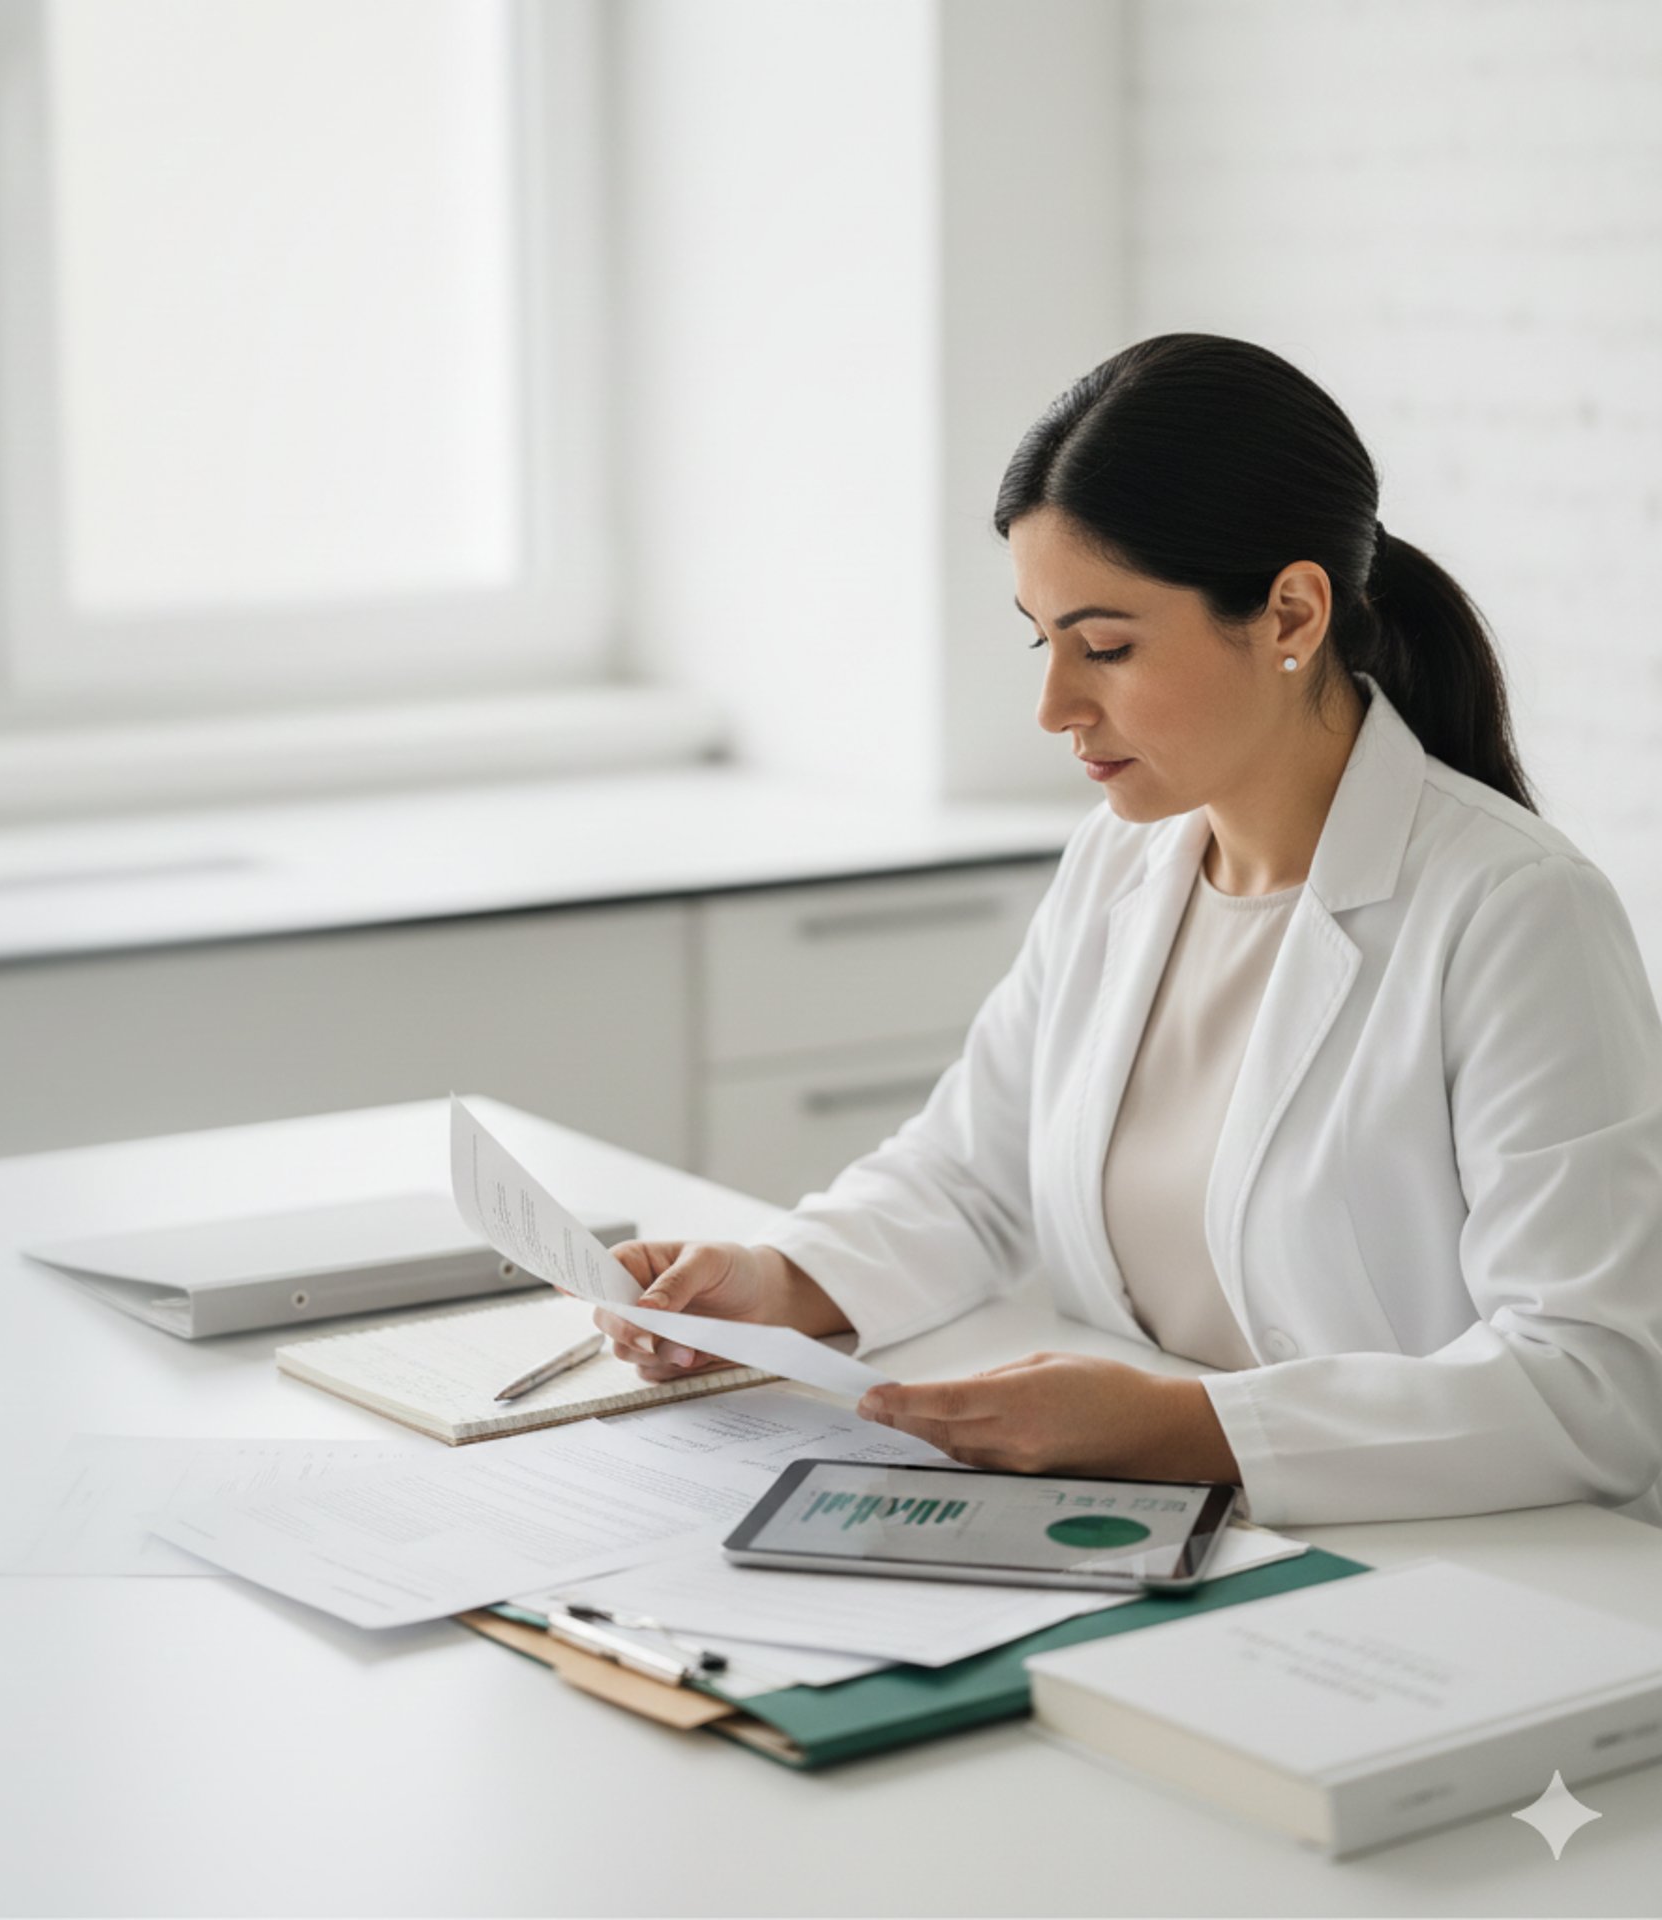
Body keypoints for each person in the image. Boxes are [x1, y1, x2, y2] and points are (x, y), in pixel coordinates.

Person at [594, 332, 1662, 1530]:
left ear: (1290, 612)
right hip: (1158, 1532)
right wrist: (781, 1280)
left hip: (1445, 1561)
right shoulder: (1124, 859)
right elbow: (973, 1172)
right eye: (1041, 641)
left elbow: (1596, 1382)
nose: (1055, 705)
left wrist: (1180, 1432)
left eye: (1107, 647)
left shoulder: (1516, 913)